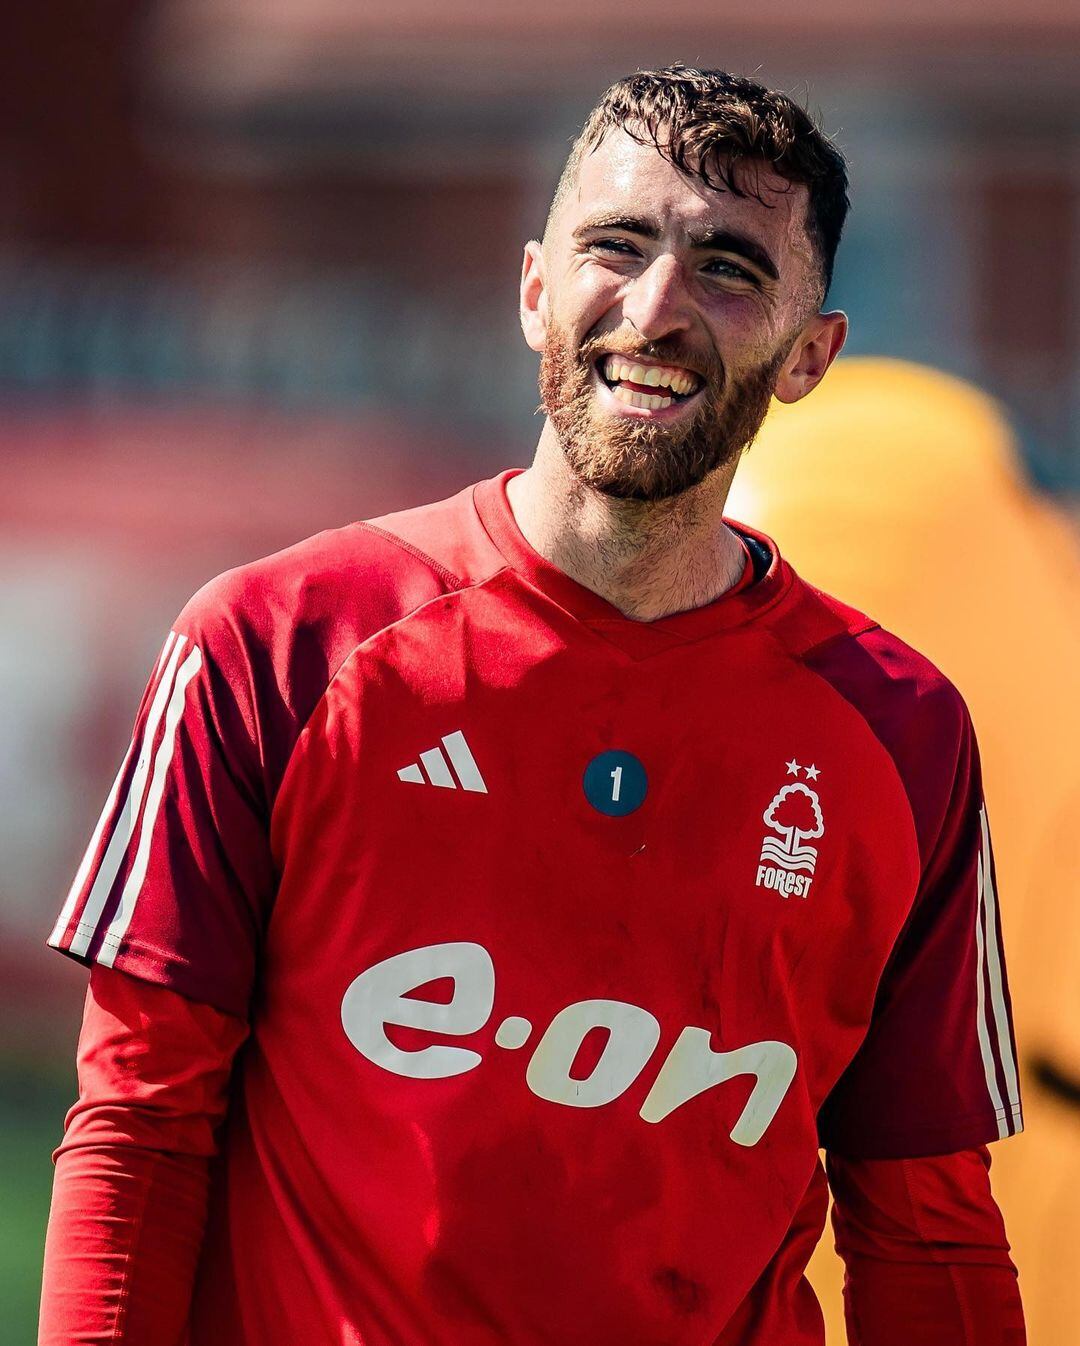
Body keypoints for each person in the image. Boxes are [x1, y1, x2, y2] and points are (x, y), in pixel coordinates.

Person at [40, 65, 1026, 1345]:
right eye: (615, 246)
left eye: (729, 267)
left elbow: (927, 1219)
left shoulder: (901, 731)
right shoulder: (278, 645)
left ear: (809, 354)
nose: (657, 307)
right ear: (532, 290)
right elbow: (138, 1118)